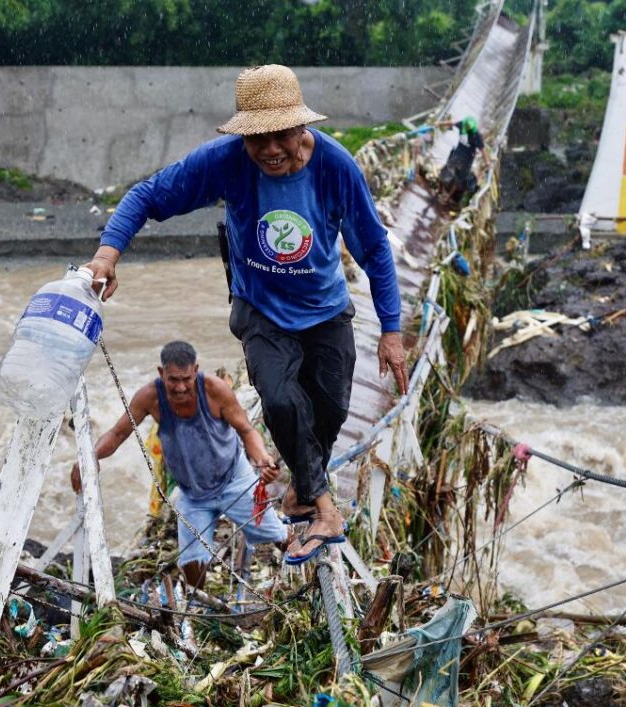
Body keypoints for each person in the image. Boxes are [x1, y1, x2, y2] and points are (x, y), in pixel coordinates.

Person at [82, 64, 408, 565]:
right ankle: (325, 510)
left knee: (331, 410)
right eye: (258, 139)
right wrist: (108, 253)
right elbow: (147, 195)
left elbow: (374, 248)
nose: (271, 150)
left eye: (282, 136)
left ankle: (302, 489)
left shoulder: (336, 167)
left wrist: (391, 329)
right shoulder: (227, 161)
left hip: (325, 310)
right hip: (262, 311)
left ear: (303, 128)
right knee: (279, 401)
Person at [71, 341, 288, 588]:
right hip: (193, 493)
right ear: (161, 372)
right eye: (173, 379)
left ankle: (304, 557)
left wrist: (262, 459)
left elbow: (246, 430)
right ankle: (202, 608)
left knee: (277, 535)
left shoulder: (215, 391)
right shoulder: (149, 398)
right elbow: (118, 434)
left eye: (186, 378)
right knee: (191, 563)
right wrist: (89, 456)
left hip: (233, 480)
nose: (181, 387)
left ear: (196, 370)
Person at [436, 116, 491, 202]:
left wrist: (487, 161)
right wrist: (439, 123)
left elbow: (483, 150)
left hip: (464, 160)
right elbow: (451, 123)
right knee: (450, 174)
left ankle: (445, 195)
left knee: (456, 177)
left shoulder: (476, 135)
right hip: (459, 157)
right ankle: (442, 192)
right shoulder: (467, 128)